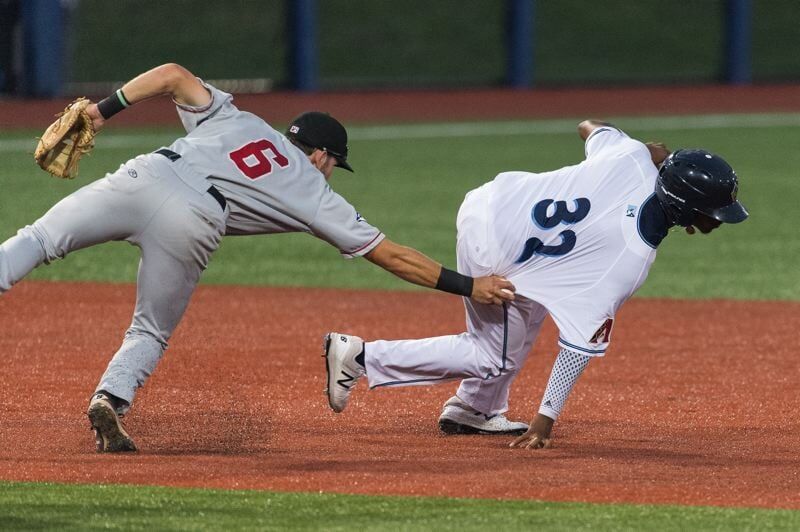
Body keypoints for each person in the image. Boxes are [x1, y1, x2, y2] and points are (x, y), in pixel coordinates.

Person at [0, 63, 515, 452]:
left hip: (146, 177)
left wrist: (99, 110)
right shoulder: (313, 189)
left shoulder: (235, 116)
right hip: (196, 223)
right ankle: (109, 400)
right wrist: (471, 286)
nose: (331, 171)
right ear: (321, 155)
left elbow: (173, 74)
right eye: (335, 163)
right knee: (149, 329)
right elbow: (393, 256)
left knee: (40, 239)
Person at [322, 120, 748, 448]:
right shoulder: (627, 261)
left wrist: (642, 149)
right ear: (684, 209)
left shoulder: (629, 155)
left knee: (539, 295)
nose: (718, 219)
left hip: (495, 202)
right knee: (492, 355)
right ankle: (361, 357)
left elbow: (589, 125)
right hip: (497, 249)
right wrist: (545, 423)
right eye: (712, 212)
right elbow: (575, 349)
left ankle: (474, 408)